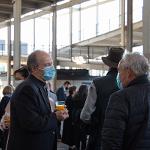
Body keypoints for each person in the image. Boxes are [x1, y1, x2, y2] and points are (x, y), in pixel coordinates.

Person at [6, 50, 69, 150]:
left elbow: (41, 114)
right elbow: (31, 123)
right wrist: (55, 117)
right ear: (34, 68)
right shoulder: (27, 89)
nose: (52, 68)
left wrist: (58, 113)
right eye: (47, 65)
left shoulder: (40, 86)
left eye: (52, 64)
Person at [101, 52, 150, 150]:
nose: (118, 76)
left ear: (129, 72)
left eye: (119, 71)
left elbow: (111, 140)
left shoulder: (120, 97)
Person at [80, 47, 124, 150]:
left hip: (100, 136)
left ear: (108, 64)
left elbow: (85, 115)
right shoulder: (128, 83)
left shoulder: (97, 83)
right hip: (123, 137)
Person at [72, 85, 88, 150]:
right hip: (83, 116)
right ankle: (83, 148)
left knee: (77, 135)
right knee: (84, 136)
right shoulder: (87, 97)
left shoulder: (75, 97)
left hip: (76, 116)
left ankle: (77, 147)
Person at [62, 86, 77, 150]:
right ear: (73, 91)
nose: (77, 92)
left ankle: (70, 145)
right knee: (69, 132)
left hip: (69, 118)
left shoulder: (70, 98)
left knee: (69, 132)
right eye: (76, 90)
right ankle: (71, 145)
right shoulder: (71, 99)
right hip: (69, 118)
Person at [0, 85, 14, 150]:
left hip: (4, 121)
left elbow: (1, 111)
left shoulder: (4, 98)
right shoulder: (10, 99)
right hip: (7, 122)